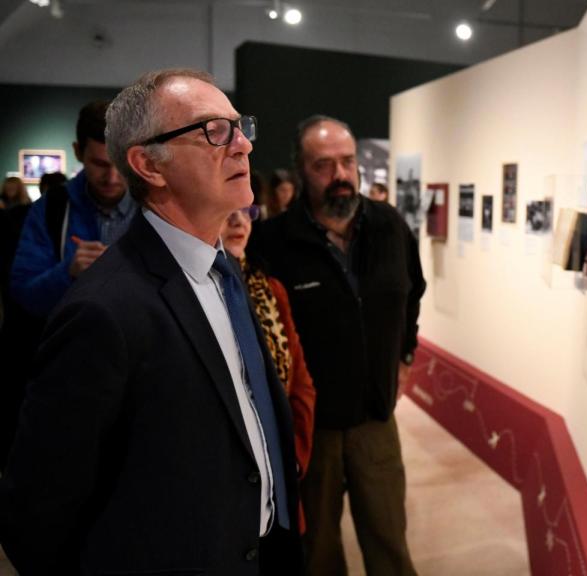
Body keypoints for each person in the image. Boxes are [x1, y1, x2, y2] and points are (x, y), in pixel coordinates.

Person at [0, 68, 302, 573]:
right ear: (148, 164)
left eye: (239, 125)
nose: (243, 146)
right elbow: (35, 512)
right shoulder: (103, 312)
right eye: (213, 131)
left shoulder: (224, 269)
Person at [248, 115, 425, 575]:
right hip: (312, 430)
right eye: (324, 165)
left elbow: (413, 293)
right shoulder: (273, 242)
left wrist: (405, 354)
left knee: (390, 545)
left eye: (347, 162)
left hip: (375, 422)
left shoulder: (391, 228)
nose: (341, 175)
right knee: (318, 552)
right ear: (301, 171)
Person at [221, 202, 316, 533]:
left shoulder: (270, 288)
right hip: (225, 480)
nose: (238, 220)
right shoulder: (198, 291)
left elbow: (301, 381)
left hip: (278, 467)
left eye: (247, 211)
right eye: (227, 209)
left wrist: (294, 453)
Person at [9, 100, 135, 319]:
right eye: (100, 164)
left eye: (120, 164)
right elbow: (23, 293)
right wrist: (68, 272)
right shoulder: (51, 208)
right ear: (78, 152)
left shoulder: (156, 205)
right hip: (70, 346)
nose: (112, 178)